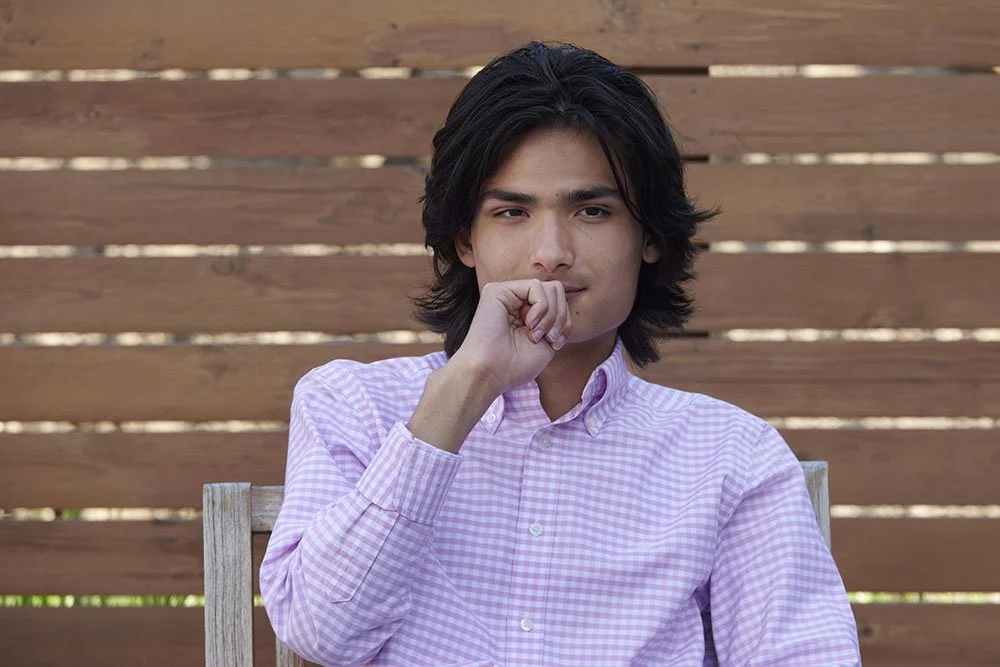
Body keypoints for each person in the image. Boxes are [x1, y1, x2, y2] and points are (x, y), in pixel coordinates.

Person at [259, 41, 862, 666]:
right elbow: (320, 632)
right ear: (466, 239)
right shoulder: (351, 404)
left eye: (593, 210)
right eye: (513, 211)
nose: (551, 251)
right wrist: (463, 391)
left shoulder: (730, 456)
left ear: (650, 237)